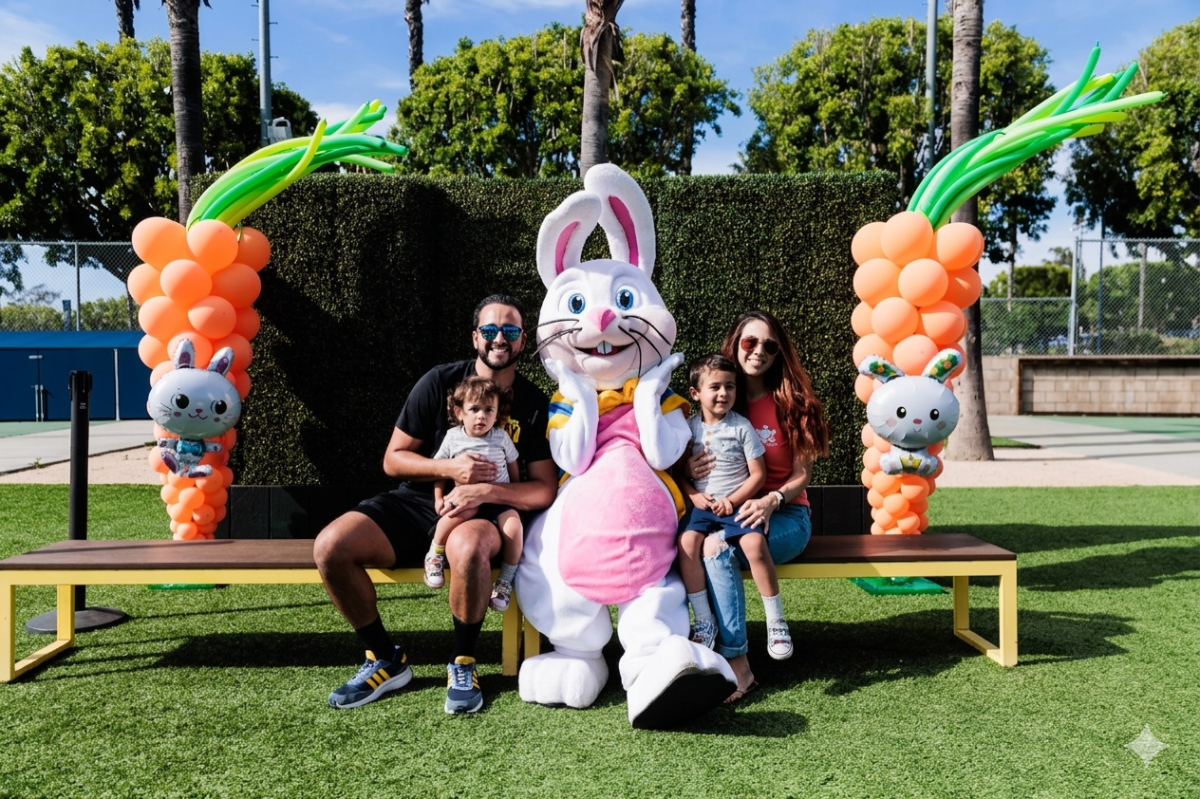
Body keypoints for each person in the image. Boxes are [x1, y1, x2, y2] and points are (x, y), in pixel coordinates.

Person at [314, 295, 556, 714]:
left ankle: (462, 662)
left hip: (482, 514)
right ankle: (385, 659)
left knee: (467, 547)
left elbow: (543, 489)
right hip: (416, 502)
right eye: (491, 330)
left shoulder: (534, 403)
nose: (501, 338)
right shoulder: (439, 382)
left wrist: (487, 492)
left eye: (511, 331)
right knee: (331, 546)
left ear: (522, 342)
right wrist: (451, 468)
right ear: (475, 337)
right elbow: (394, 458)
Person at [686, 310, 829, 702]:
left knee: (720, 551)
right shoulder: (717, 396)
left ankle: (740, 661)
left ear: (779, 352)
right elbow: (685, 449)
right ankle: (737, 665)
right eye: (750, 342)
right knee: (712, 549)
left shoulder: (793, 402)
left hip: (786, 515)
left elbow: (802, 475)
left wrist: (772, 499)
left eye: (769, 344)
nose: (758, 351)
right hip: (729, 515)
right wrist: (689, 467)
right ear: (735, 344)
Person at [674, 354, 772, 653]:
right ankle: (704, 621)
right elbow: (678, 472)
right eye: (715, 387)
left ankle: (775, 621)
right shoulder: (687, 428)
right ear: (695, 393)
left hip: (735, 508)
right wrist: (693, 495)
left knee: (754, 545)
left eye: (730, 387)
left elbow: (759, 475)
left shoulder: (741, 427)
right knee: (687, 543)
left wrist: (732, 500)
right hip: (701, 508)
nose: (723, 393)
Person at [426, 376, 524, 614]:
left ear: (497, 412)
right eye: (475, 409)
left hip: (498, 499)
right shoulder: (452, 437)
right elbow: (440, 470)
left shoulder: (501, 437)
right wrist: (439, 498)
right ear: (459, 412)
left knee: (514, 527)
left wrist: (515, 495)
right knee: (454, 514)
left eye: (489, 410)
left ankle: (504, 583)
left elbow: (513, 466)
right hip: (464, 496)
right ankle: (434, 554)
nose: (482, 416)